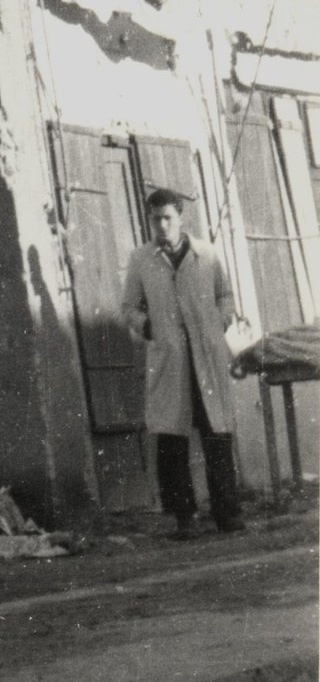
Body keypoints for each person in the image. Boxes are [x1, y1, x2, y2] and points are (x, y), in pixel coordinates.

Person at [121, 186, 245, 539]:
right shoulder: (141, 260)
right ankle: (184, 519)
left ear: (180, 218)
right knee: (171, 439)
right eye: (155, 219)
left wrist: (220, 321)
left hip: (206, 356)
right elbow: (129, 307)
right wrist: (149, 327)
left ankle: (227, 514)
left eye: (167, 218)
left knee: (216, 434)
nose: (162, 226)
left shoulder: (206, 254)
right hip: (170, 360)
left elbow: (225, 295)